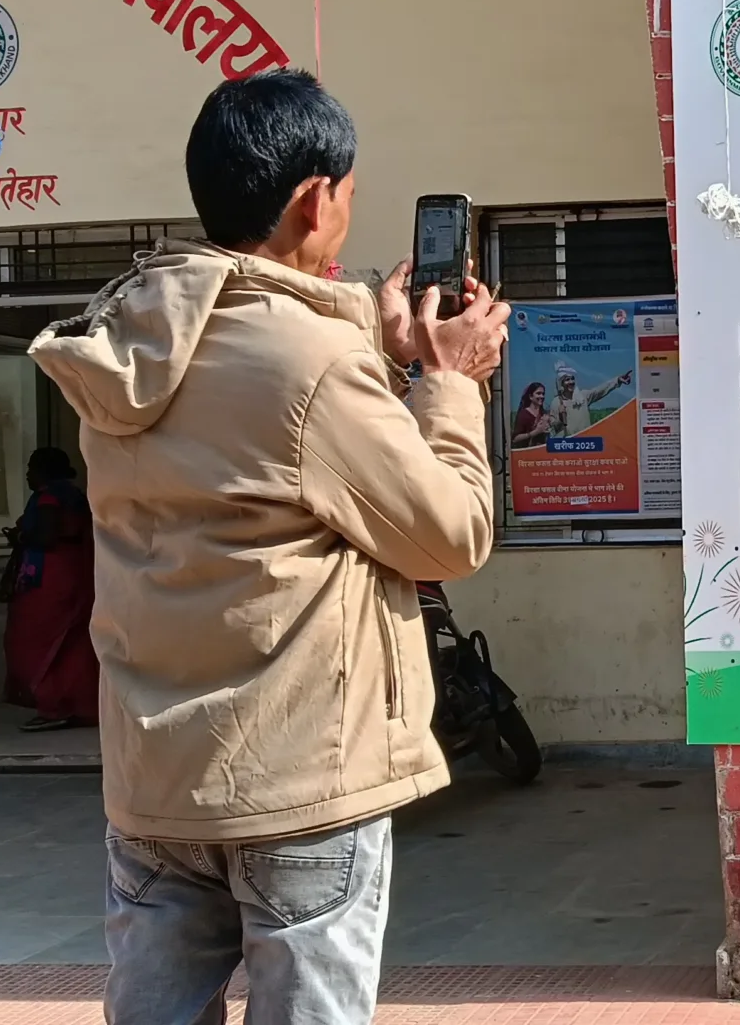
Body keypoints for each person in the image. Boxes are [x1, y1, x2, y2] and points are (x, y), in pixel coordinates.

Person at [28, 68, 510, 1025]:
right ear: (313, 200)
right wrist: (448, 382)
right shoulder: (316, 363)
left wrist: (360, 345)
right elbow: (451, 535)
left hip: (154, 786)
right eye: (350, 195)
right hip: (298, 786)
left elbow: (251, 458)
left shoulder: (123, 342)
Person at [0, 446, 99, 734]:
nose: (28, 474)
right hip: (72, 574)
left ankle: (52, 705)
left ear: (44, 470)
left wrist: (21, 535)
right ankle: (78, 705)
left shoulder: (49, 497)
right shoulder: (75, 495)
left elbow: (47, 534)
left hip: (49, 580)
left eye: (31, 468)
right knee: (71, 644)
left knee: (35, 641)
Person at [541, 364, 632, 438]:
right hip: (567, 444)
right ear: (561, 383)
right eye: (567, 380)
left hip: (585, 440)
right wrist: (561, 418)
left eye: (572, 379)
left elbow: (600, 390)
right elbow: (554, 428)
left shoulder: (583, 396)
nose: (571, 382)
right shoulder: (556, 402)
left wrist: (617, 380)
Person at [508, 381, 550, 449]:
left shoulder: (544, 413)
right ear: (530, 396)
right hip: (528, 452)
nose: (542, 396)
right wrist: (536, 432)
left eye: (543, 394)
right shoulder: (524, 414)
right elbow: (515, 439)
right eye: (538, 393)